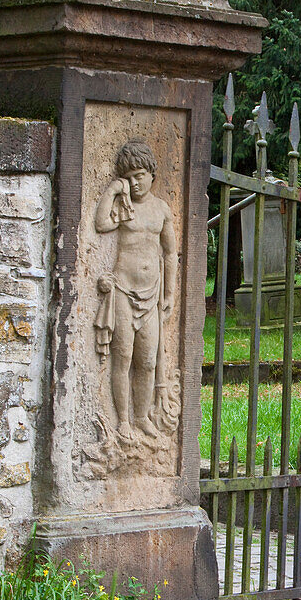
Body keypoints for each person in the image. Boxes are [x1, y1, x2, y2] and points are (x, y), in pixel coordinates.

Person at [93, 138, 178, 445]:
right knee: (124, 356)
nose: (135, 182)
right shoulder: (124, 206)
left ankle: (142, 418)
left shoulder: (161, 210)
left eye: (139, 175)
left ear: (151, 174)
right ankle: (124, 421)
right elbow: (102, 224)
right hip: (123, 290)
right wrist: (113, 190)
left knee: (146, 361)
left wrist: (169, 294)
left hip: (151, 294)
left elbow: (170, 253)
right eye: (129, 178)